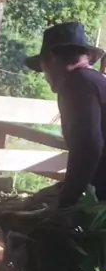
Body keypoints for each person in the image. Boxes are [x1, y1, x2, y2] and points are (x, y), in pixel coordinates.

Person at [25, 22, 106, 207]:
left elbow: (89, 147)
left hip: (101, 198)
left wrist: (66, 201)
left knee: (35, 207)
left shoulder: (77, 84)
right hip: (98, 189)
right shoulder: (95, 81)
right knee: (41, 199)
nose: (45, 77)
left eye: (43, 68)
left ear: (51, 59)